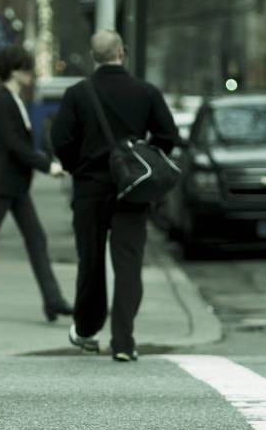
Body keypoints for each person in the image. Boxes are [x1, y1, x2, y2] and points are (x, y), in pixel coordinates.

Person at [50, 30, 179, 361]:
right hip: (131, 189)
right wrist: (143, 156)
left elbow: (60, 140)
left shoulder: (78, 94)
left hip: (90, 189)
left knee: (90, 261)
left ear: (94, 56)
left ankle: (87, 329)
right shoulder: (146, 92)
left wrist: (78, 167)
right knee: (128, 264)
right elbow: (168, 135)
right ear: (122, 52)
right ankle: (123, 341)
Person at [0, 45, 73, 323]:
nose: (30, 73)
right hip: (2, 185)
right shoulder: (3, 102)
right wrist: (47, 166)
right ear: (13, 71)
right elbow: (14, 146)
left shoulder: (13, 100)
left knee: (35, 239)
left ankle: (53, 300)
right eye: (25, 68)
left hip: (13, 186)